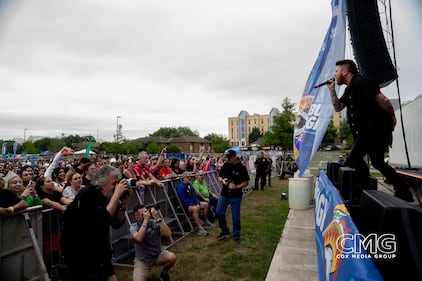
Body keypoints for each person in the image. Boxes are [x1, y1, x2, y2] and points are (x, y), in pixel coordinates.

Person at [328, 59, 413, 202]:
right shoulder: (350, 88)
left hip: (374, 130)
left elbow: (384, 101)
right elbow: (338, 107)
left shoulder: (363, 82)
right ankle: (403, 191)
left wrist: (392, 117)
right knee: (377, 162)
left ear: (345, 71)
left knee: (354, 158)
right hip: (367, 131)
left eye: (337, 71)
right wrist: (331, 90)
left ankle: (365, 192)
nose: (335, 75)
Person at [61, 165, 131, 281]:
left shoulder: (108, 196)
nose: (117, 187)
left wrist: (123, 204)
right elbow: (101, 220)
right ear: (101, 182)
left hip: (99, 249)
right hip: (80, 251)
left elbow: (117, 223)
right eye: (114, 184)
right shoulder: (87, 194)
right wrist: (116, 195)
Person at [130, 204, 176, 281]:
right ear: (137, 217)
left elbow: (168, 234)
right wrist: (145, 221)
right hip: (143, 260)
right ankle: (145, 274)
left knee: (172, 257)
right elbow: (139, 238)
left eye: (146, 212)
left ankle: (163, 274)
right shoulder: (134, 227)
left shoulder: (154, 223)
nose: (146, 214)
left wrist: (158, 218)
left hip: (157, 254)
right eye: (143, 214)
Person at [216, 149, 250, 244]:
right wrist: (223, 181)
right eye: (227, 158)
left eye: (229, 158)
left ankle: (236, 235)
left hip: (236, 195)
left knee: (235, 216)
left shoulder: (241, 168)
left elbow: (246, 182)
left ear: (234, 157)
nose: (228, 160)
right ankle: (224, 230)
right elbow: (219, 177)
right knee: (219, 212)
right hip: (224, 194)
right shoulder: (226, 165)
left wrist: (236, 187)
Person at [176, 172, 214, 236]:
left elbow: (195, 195)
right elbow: (182, 199)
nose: (190, 178)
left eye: (190, 177)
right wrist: (192, 204)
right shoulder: (180, 187)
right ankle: (200, 228)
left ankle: (206, 221)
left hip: (193, 202)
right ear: (183, 178)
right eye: (188, 177)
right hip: (186, 205)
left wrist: (197, 202)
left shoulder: (190, 185)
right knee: (195, 208)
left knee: (205, 204)